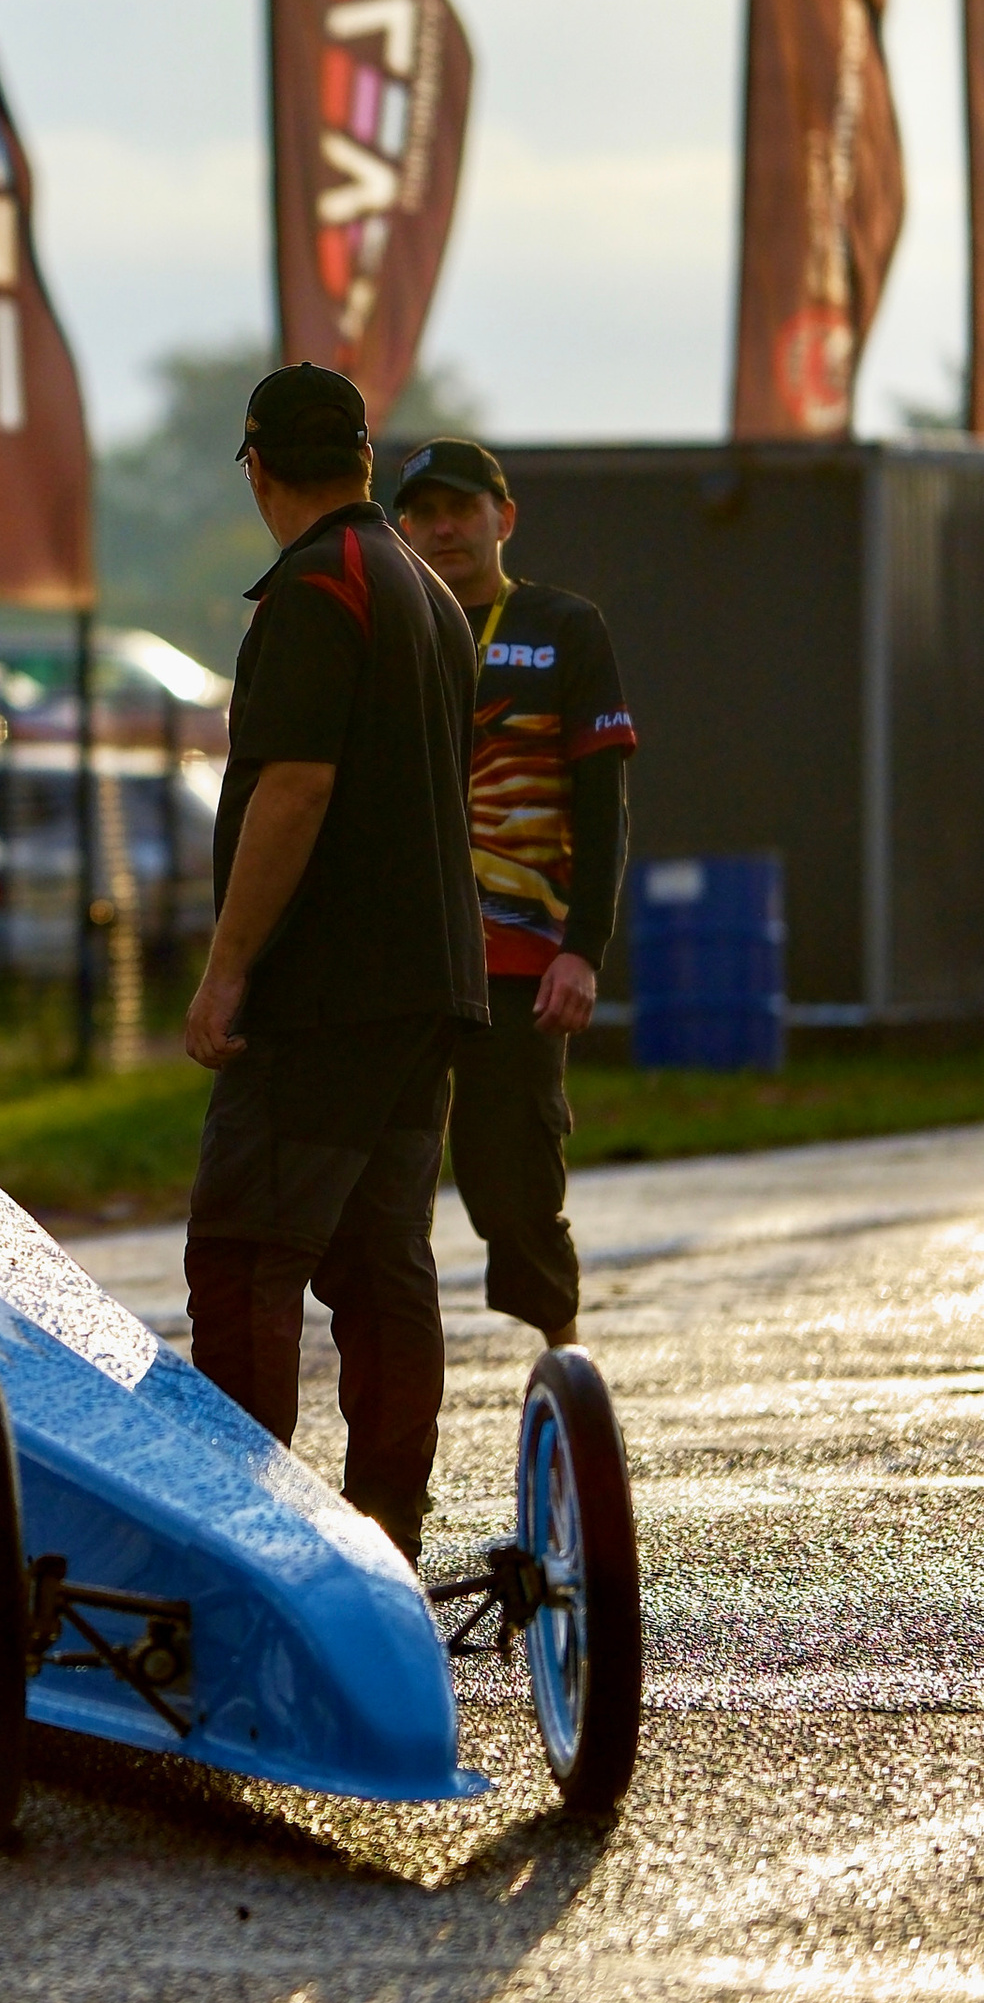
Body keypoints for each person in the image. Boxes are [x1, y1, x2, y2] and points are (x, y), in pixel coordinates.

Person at [181, 363, 486, 1564]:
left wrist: (225, 970)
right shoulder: (423, 585)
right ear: (363, 461)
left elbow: (295, 789)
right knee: (379, 1263)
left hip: (323, 995)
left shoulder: (317, 589)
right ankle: (385, 1539)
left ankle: (251, 1551)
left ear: (256, 467)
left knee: (246, 1257)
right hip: (428, 991)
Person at [393, 434, 637, 1357]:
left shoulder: (565, 627)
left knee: (513, 1184)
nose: (443, 527)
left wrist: (584, 948)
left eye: (461, 508)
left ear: (505, 518)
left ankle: (567, 1367)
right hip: (404, 960)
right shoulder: (389, 628)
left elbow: (605, 801)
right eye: (422, 513)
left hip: (521, 960)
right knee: (378, 1194)